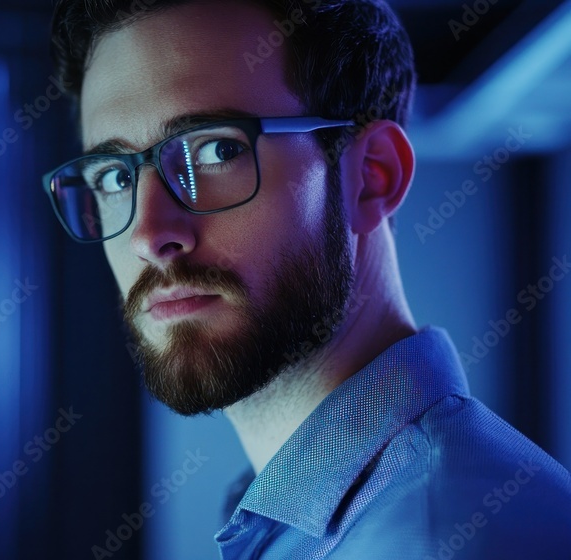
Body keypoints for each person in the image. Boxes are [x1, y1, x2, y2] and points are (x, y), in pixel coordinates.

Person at [41, 0, 571, 557]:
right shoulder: (306, 517)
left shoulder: (432, 539)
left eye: (216, 149)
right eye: (113, 177)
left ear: (372, 177)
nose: (148, 236)